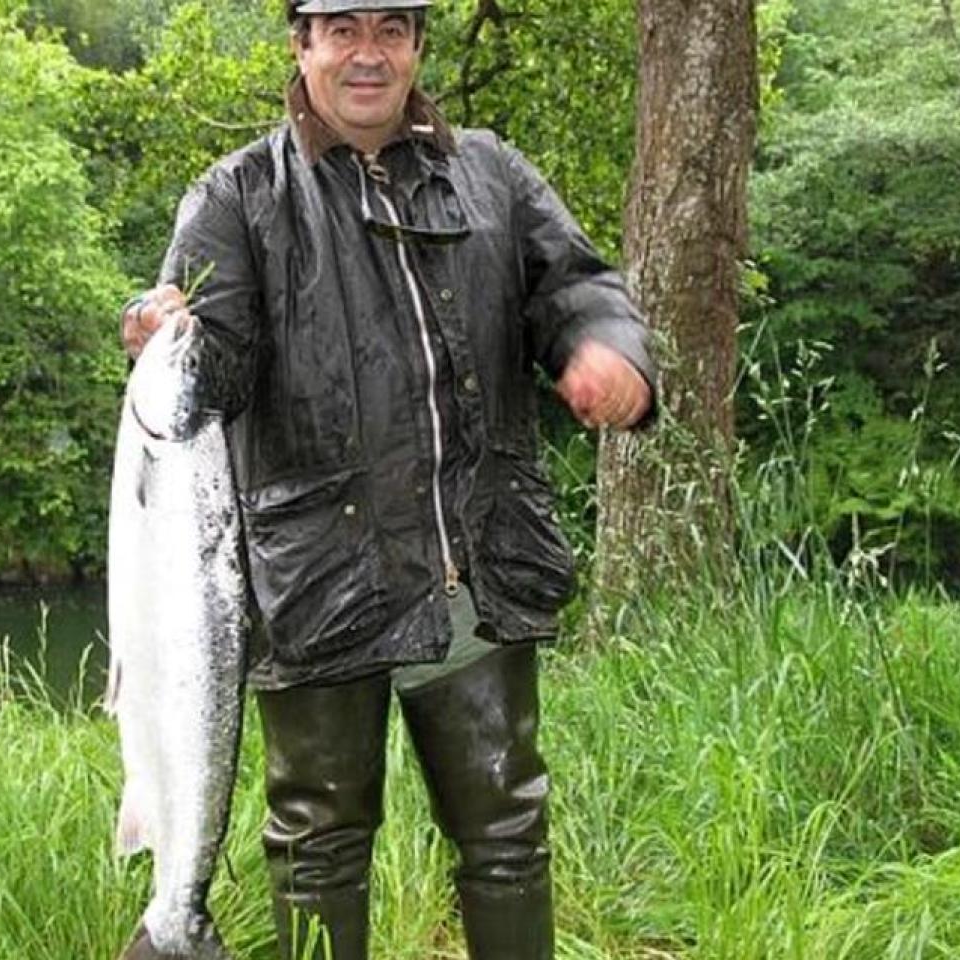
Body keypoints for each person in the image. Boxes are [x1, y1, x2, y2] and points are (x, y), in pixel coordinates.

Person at [119, 1, 655, 956]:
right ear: (303, 44)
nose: (368, 54)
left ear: (415, 46)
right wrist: (172, 337)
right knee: (318, 846)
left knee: (508, 835)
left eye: (392, 30)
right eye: (342, 29)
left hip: (474, 570)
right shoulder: (236, 195)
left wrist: (606, 349)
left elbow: (575, 286)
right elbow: (218, 372)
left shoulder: (491, 173)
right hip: (318, 585)